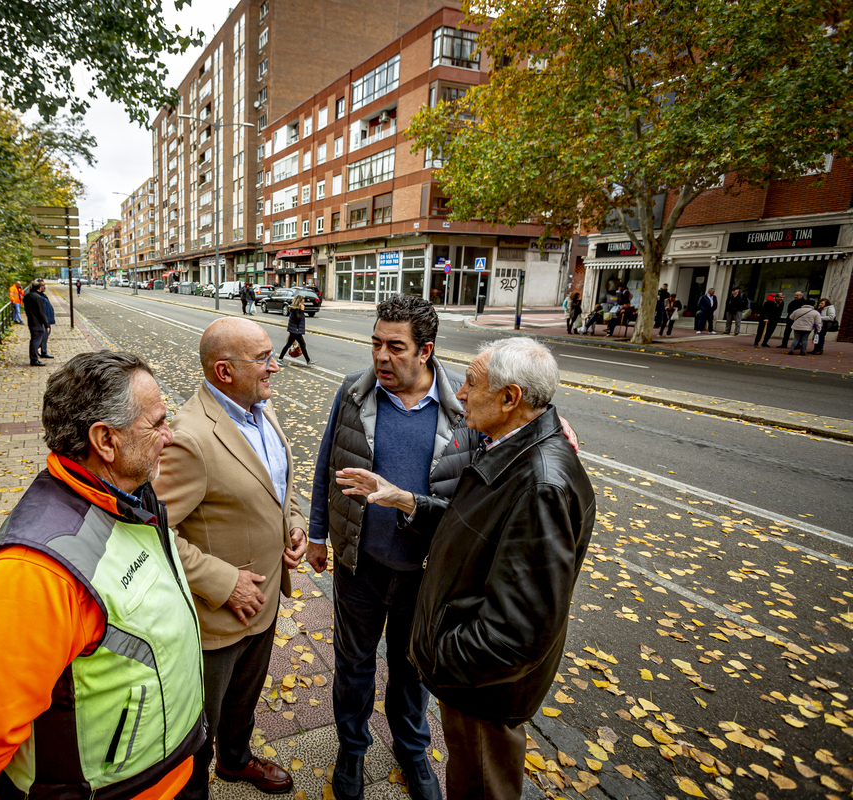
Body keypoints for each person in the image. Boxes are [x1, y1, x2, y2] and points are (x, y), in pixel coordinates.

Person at [0, 352, 205, 799]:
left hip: (175, 766)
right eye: (157, 423)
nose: (169, 437)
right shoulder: (34, 573)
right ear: (106, 440)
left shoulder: (130, 494)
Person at [335, 338, 595, 800]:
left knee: (479, 785)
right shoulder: (508, 446)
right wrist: (405, 499)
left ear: (510, 398)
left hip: (483, 691)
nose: (460, 395)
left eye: (471, 385)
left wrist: (437, 656)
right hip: (475, 681)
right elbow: (469, 527)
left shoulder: (539, 485)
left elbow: (519, 632)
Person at [306, 295, 476, 800]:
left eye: (394, 347)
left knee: (411, 670)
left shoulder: (462, 407)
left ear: (426, 351)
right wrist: (319, 534)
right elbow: (326, 467)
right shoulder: (354, 393)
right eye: (376, 343)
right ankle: (352, 750)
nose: (380, 355)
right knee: (353, 665)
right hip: (360, 564)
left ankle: (411, 748)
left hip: (424, 573)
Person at [153, 317, 306, 800]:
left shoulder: (260, 407)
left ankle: (236, 763)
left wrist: (294, 522)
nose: (275, 366)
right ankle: (190, 787)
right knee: (201, 723)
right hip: (217, 617)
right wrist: (222, 581)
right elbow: (152, 529)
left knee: (244, 701)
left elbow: (277, 483)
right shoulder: (189, 436)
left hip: (263, 602)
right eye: (263, 358)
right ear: (224, 371)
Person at [279, 295, 312, 365]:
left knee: (290, 344)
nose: (304, 304)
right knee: (302, 344)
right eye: (302, 302)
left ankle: (280, 359)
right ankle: (308, 361)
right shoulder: (295, 309)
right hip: (295, 330)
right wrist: (302, 310)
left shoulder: (296, 308)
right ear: (299, 302)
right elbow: (298, 318)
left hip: (295, 330)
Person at [23, 280, 49, 367]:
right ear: (39, 288)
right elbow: (41, 312)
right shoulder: (38, 297)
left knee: (33, 339)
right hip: (37, 322)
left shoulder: (27, 296)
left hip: (30, 321)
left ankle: (34, 357)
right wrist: (46, 324)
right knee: (36, 341)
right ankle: (34, 359)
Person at [37, 280, 56, 359]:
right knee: (43, 337)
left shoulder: (43, 295)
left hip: (47, 320)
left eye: (44, 285)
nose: (44, 287)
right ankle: (41, 351)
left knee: (45, 336)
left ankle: (40, 349)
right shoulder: (39, 297)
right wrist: (45, 322)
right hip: (43, 321)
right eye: (42, 285)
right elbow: (41, 311)